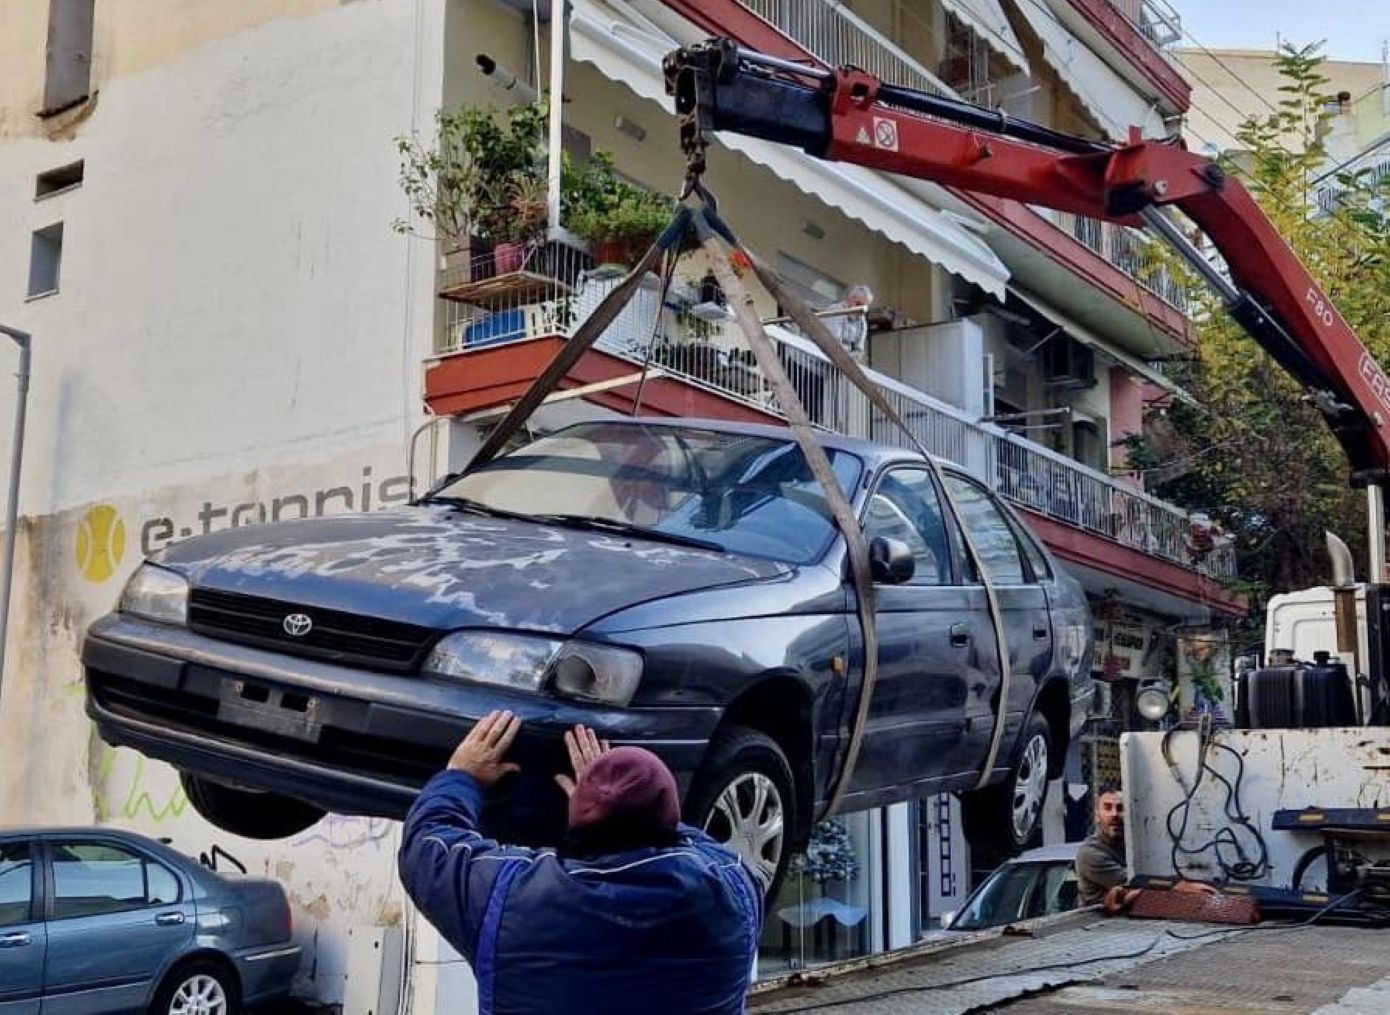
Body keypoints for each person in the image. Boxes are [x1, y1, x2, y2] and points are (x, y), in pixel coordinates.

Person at [398, 710, 762, 1014]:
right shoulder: (735, 893)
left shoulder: (508, 897)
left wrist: (461, 776)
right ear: (668, 815)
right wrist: (624, 801)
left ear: (577, 815)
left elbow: (426, 846)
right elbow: (700, 844)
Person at [1075, 782, 1217, 912]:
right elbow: (1134, 881)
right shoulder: (1090, 854)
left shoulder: (1137, 846)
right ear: (1097, 815)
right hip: (1097, 923)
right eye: (1107, 808)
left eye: (1121, 808)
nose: (1114, 814)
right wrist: (1177, 886)